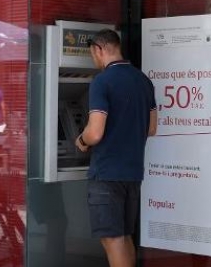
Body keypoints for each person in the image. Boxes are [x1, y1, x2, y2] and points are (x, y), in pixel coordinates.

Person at [75, 29, 157, 267]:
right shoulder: (143, 81)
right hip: (132, 173)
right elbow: (152, 128)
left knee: (112, 239)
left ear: (99, 49)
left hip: (107, 173)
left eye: (93, 54)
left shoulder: (102, 81)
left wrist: (81, 140)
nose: (94, 59)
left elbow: (95, 132)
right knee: (123, 236)